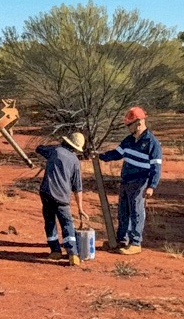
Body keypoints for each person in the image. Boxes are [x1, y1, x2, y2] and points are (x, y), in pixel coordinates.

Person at [97, 106, 162, 255]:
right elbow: (117, 153)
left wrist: (152, 186)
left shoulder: (152, 143)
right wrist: (101, 156)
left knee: (136, 211)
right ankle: (122, 240)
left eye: (129, 124)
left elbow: (156, 167)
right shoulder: (129, 140)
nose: (127, 128)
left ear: (139, 123)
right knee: (123, 211)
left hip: (140, 182)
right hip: (126, 180)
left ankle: (135, 242)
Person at [36, 132, 89, 266]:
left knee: (50, 222)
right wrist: (80, 208)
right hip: (62, 197)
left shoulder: (55, 151)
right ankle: (73, 254)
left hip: (46, 193)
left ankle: (55, 250)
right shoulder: (75, 161)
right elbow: (78, 187)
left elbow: (39, 148)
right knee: (67, 224)